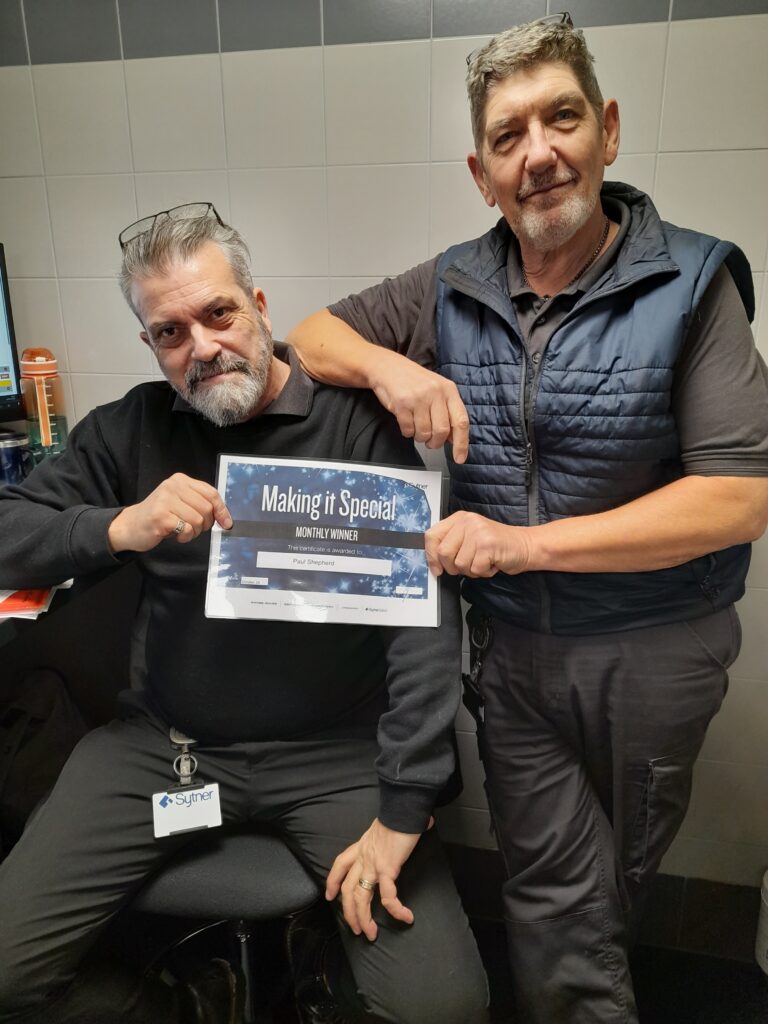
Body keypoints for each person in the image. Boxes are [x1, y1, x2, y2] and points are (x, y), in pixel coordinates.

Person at [286, 14, 768, 1024]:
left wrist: (521, 545)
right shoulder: (454, 283)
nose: (537, 154)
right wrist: (391, 367)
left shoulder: (694, 282)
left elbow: (740, 495)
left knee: (605, 886)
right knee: (553, 896)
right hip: (511, 661)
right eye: (508, 137)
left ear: (608, 129)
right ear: (482, 173)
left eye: (562, 119)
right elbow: (311, 336)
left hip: (654, 648)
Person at [0, 204, 488, 1024]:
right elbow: (9, 530)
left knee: (444, 1010)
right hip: (169, 749)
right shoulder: (131, 429)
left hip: (337, 756)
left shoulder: (356, 429)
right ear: (151, 345)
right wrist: (117, 528)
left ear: (259, 307)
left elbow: (423, 631)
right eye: (170, 332)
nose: (201, 346)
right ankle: (188, 1007)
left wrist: (405, 803)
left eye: (218, 313)